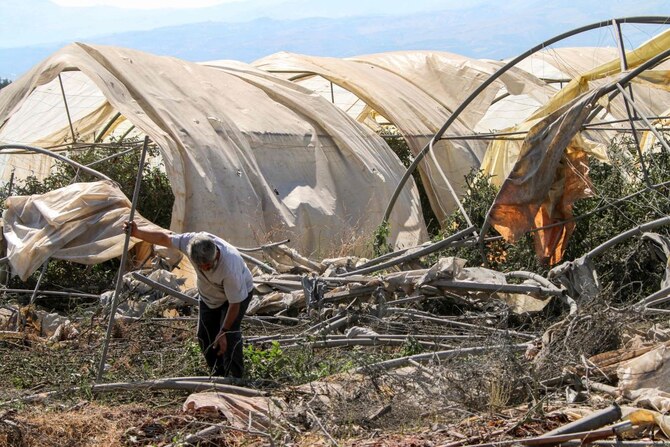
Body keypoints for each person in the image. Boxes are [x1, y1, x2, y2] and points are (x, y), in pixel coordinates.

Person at [124, 221, 254, 378]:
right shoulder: (190, 242)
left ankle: (236, 378)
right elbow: (164, 238)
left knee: (230, 337)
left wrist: (224, 330)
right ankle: (219, 376)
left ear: (216, 254)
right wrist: (137, 232)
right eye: (200, 266)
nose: (203, 269)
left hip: (236, 298)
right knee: (205, 336)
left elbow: (235, 303)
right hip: (209, 296)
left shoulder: (230, 267)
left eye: (207, 265)